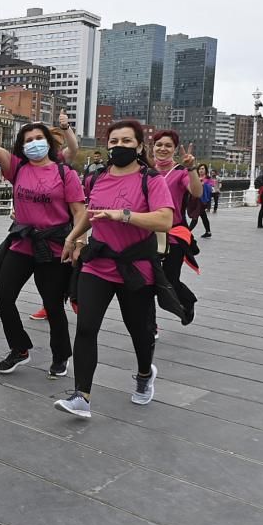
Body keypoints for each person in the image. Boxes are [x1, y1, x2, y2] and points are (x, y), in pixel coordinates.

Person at [54, 120, 175, 419]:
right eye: (114, 141)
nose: (119, 147)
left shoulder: (151, 180)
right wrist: (73, 237)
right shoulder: (97, 177)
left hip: (135, 267)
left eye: (126, 141)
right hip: (98, 263)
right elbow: (91, 214)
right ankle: (81, 395)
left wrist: (124, 215)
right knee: (85, 328)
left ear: (139, 147)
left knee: (139, 332)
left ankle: (145, 374)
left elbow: (164, 220)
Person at [0, 94, 87, 378]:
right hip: (22, 243)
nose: (33, 143)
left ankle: (61, 354)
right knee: (4, 295)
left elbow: (79, 212)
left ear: (48, 142)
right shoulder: (18, 168)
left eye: (37, 138)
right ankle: (19, 348)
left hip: (54, 247)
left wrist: (77, 241)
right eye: (27, 140)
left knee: (53, 305)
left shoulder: (64, 173)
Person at [29, 110, 82, 321]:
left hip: (63, 219)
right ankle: (50, 303)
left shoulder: (60, 159)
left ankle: (64, 300)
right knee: (43, 269)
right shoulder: (29, 162)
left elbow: (74, 148)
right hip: (39, 220)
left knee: (61, 266)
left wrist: (65, 127)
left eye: (42, 139)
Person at [150, 130, 202, 326]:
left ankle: (187, 302)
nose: (163, 148)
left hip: (173, 234)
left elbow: (196, 191)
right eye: (159, 144)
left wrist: (191, 168)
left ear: (174, 149)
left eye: (168, 145)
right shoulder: (145, 170)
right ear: (152, 147)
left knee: (170, 279)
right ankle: (150, 325)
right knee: (145, 282)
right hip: (147, 232)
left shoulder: (180, 171)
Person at [187, 164, 212, 238]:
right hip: (195, 200)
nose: (201, 170)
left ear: (206, 170)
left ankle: (187, 232)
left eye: (203, 169)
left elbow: (210, 189)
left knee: (195, 216)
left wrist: (203, 185)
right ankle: (208, 231)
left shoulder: (208, 179)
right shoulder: (196, 178)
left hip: (202, 200)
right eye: (200, 169)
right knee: (203, 216)